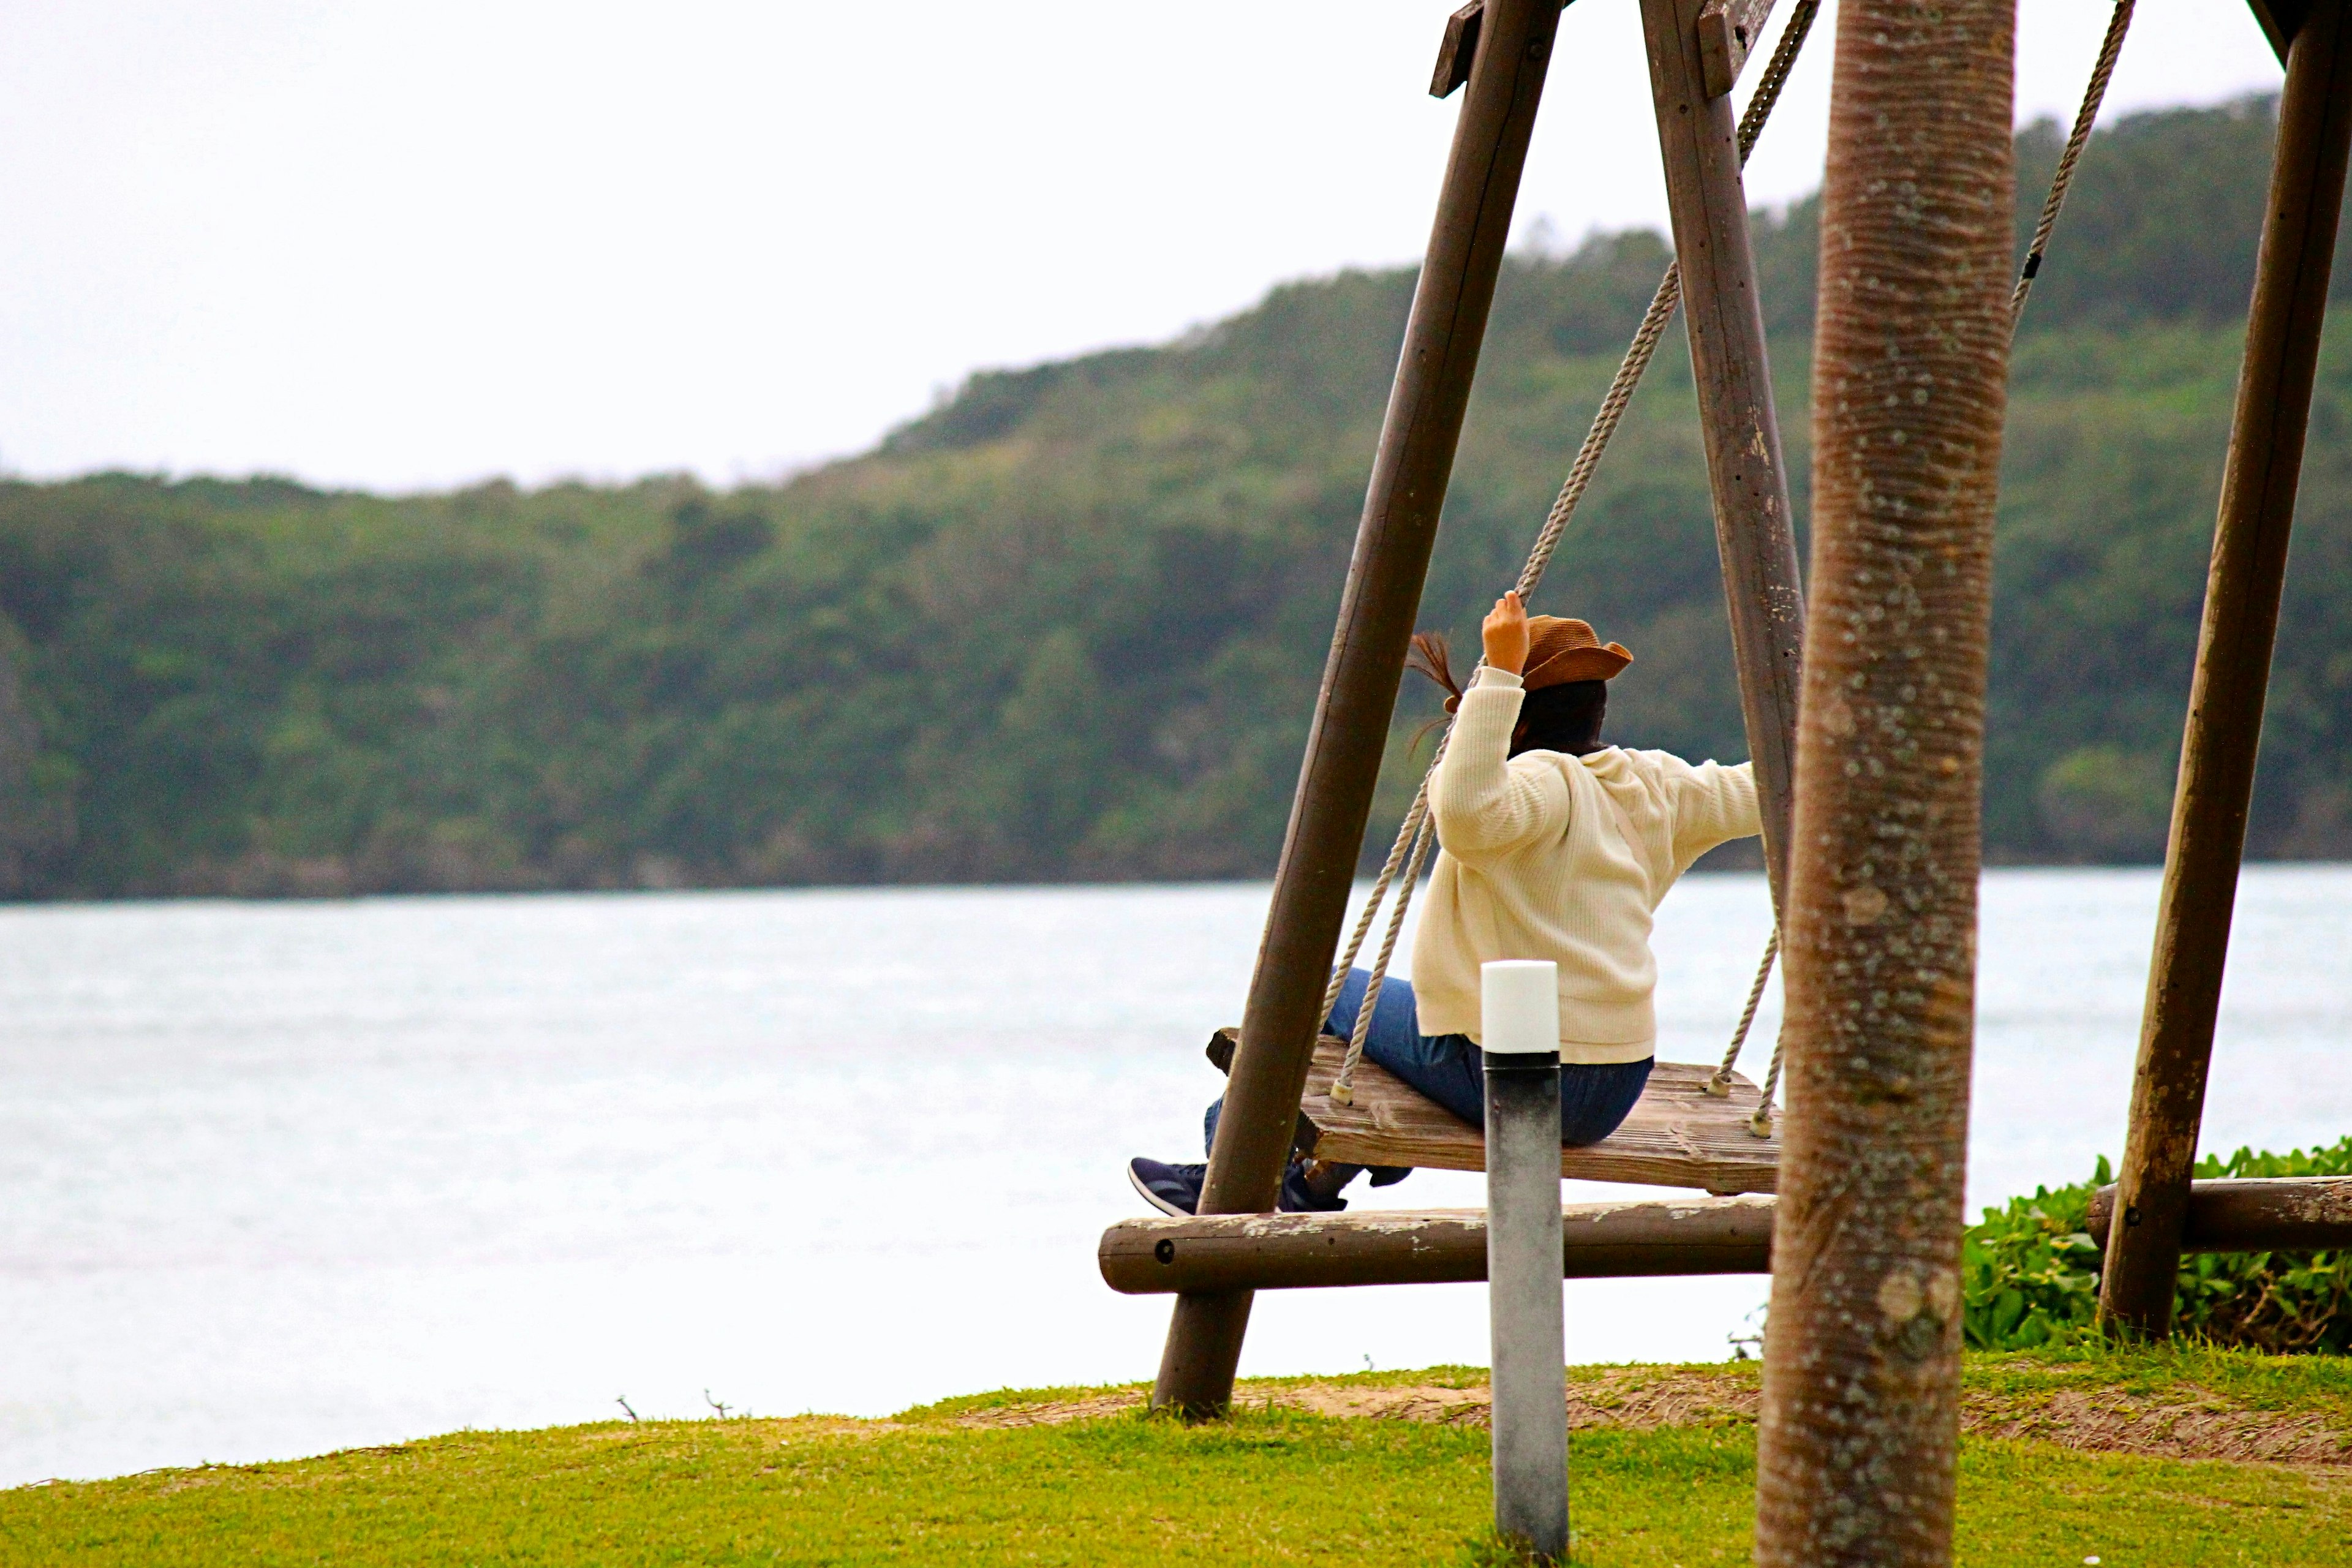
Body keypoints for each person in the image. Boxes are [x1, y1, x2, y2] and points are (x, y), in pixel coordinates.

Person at [1128, 592, 1762, 1216]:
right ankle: (1314, 1180)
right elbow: (1765, 788)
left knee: (1309, 988)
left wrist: (1501, 672)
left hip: (1521, 1073)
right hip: (1617, 1082)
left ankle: (1230, 1174)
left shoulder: (1537, 787)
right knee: (1382, 1013)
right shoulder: (1657, 784)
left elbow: (1460, 810)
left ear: (1514, 721)